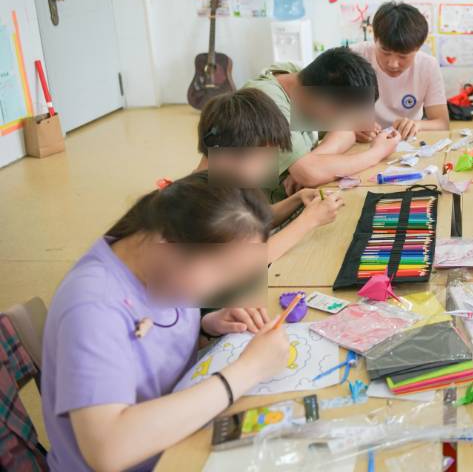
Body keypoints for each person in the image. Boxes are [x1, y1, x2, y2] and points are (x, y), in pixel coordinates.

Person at [42, 174, 290, 471]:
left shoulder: (162, 268)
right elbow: (108, 449)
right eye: (223, 270)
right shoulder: (93, 308)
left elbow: (152, 344)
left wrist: (207, 325)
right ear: (167, 243)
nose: (228, 286)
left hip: (178, 439)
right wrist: (249, 369)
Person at [195, 89, 344, 263]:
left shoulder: (224, 182)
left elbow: (251, 220)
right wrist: (309, 220)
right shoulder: (199, 202)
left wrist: (297, 198)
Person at [243, 47, 399, 201]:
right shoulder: (265, 103)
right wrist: (377, 153)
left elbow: (347, 131)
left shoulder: (300, 79)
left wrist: (312, 160)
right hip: (265, 211)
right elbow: (309, 174)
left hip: (302, 197)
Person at [352, 2, 449, 140]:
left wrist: (417, 125)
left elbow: (442, 123)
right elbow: (325, 114)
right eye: (385, 52)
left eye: (403, 56)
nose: (393, 64)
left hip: (406, 141)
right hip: (362, 142)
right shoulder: (355, 57)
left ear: (418, 48)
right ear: (375, 38)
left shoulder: (428, 66)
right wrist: (350, 126)